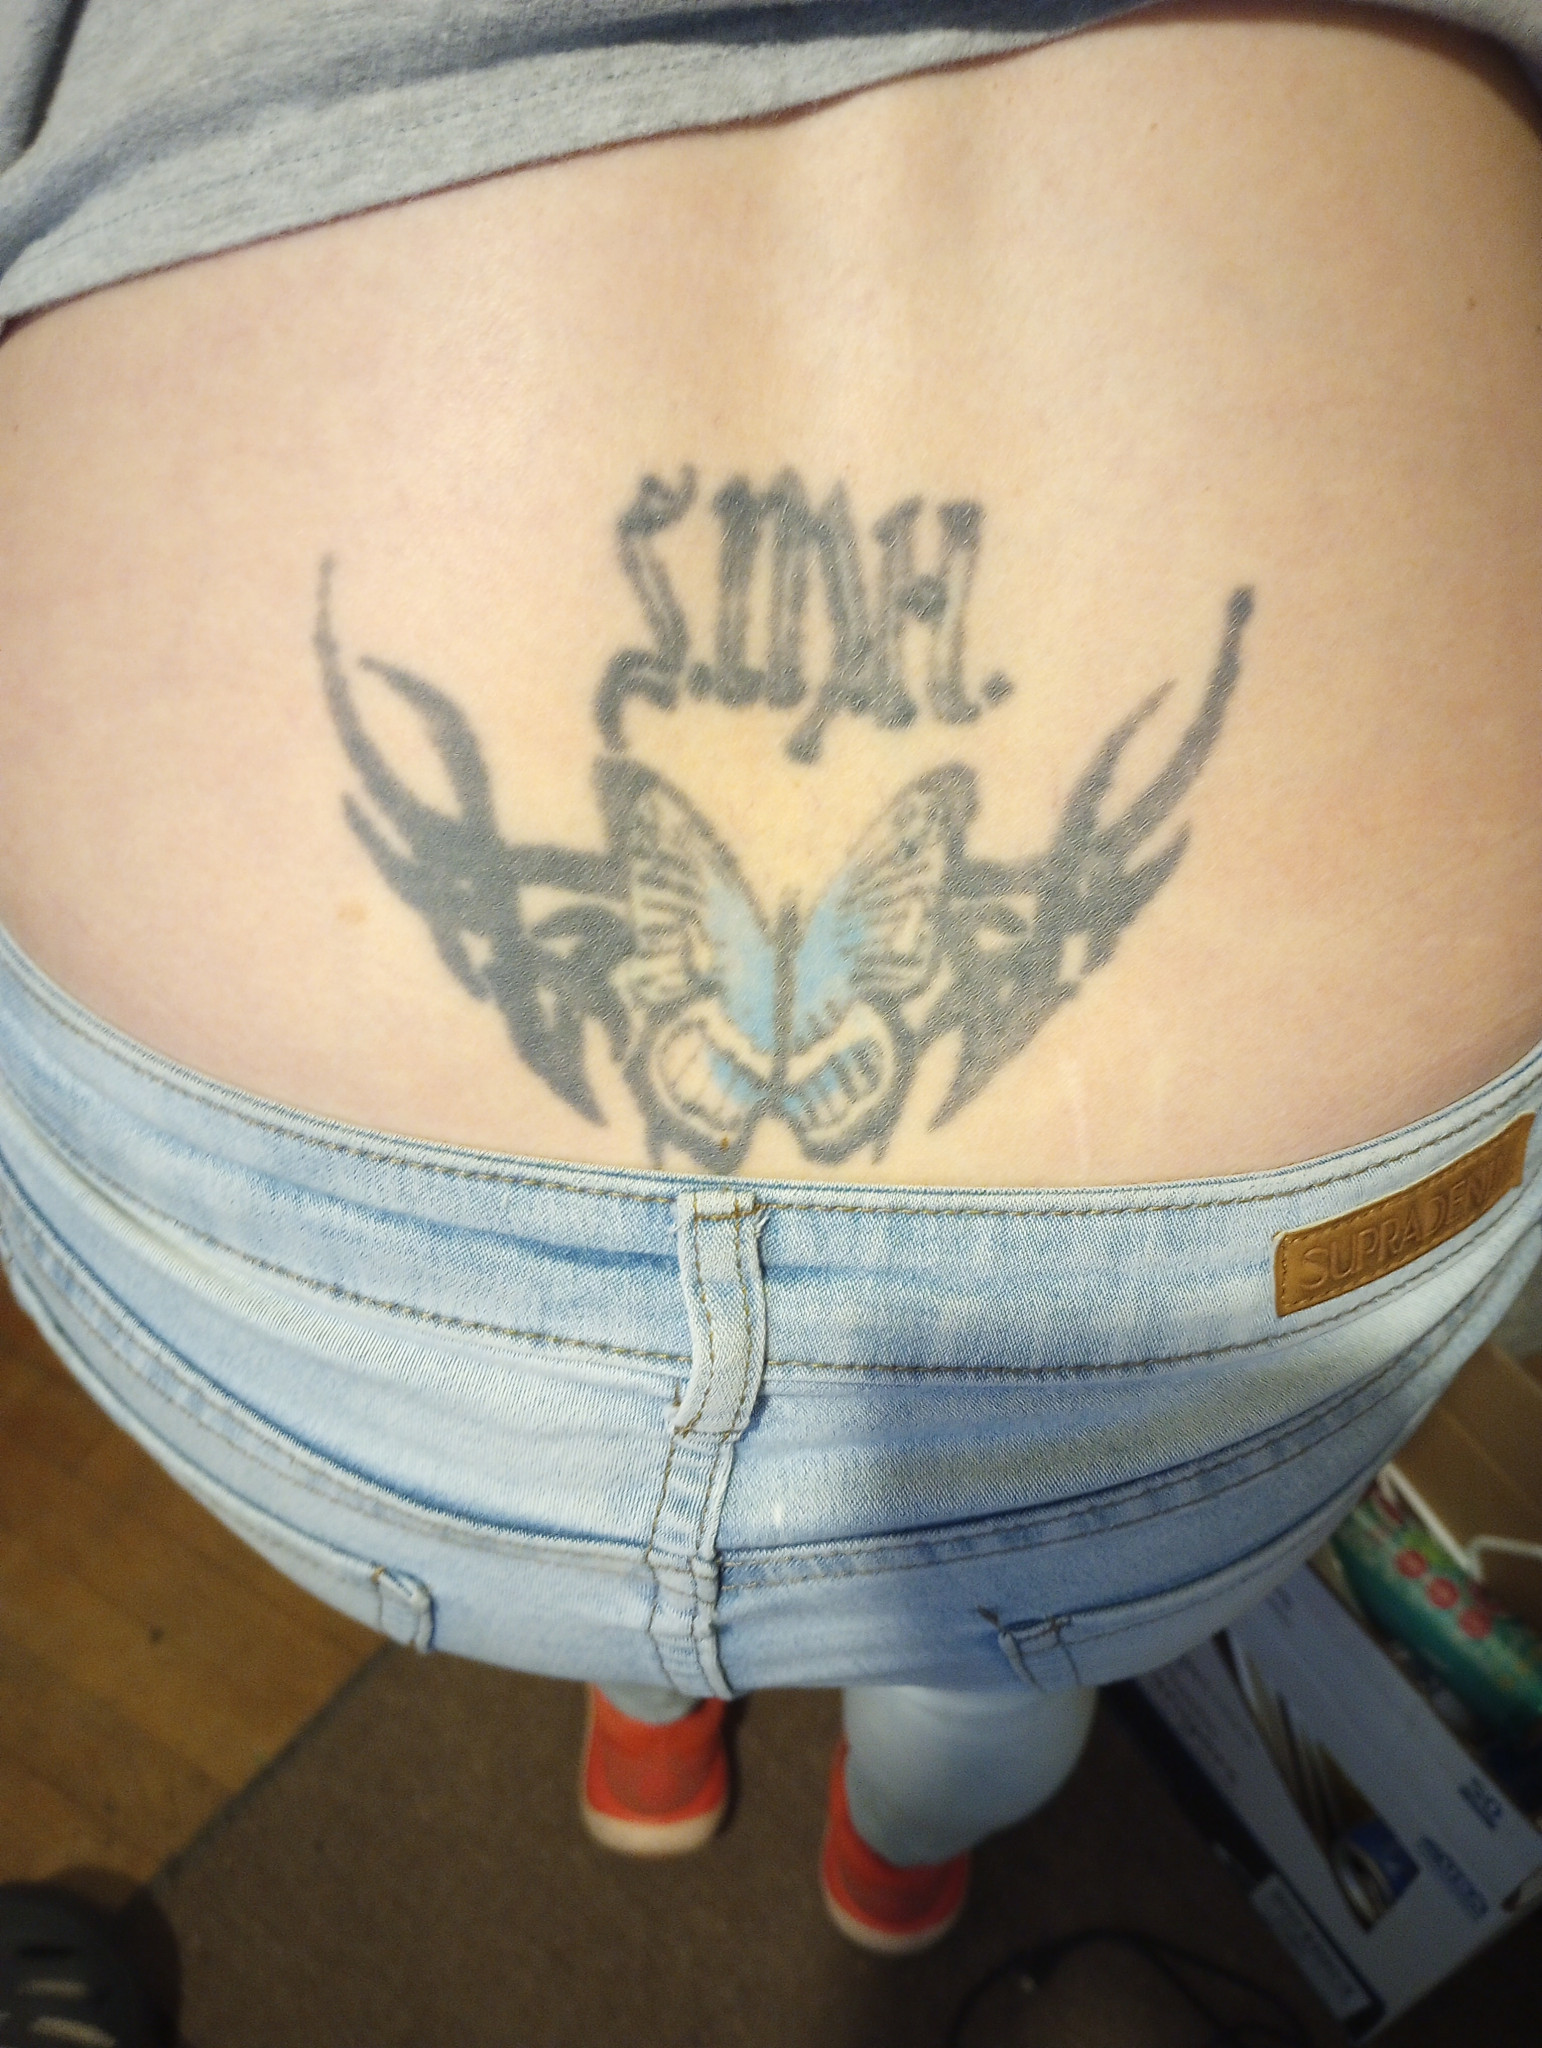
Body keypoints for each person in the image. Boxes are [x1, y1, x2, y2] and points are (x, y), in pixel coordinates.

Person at [0, 1, 1539, 1954]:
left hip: (286, 1227)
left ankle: (647, 1690)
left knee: (599, 1517)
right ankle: (890, 1836)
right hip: (1217, 1280)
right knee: (996, 1653)